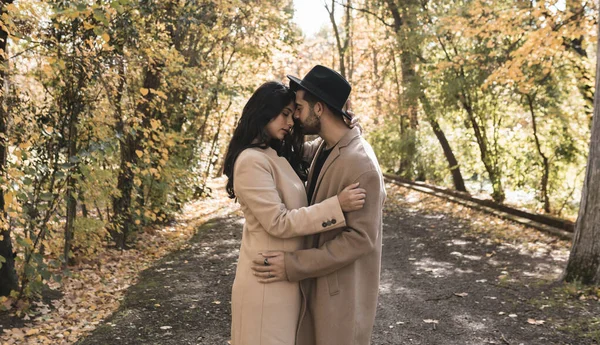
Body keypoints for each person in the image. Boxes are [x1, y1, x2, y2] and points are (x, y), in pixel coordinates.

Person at [222, 81, 367, 345]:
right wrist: (338, 205)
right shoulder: (250, 161)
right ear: (264, 111)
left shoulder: (275, 153)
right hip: (265, 282)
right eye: (286, 114)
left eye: (294, 112)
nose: (292, 121)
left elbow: (326, 149)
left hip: (284, 280)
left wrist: (350, 128)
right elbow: (278, 222)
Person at [251, 66, 386, 345]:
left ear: (320, 109)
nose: (296, 116)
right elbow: (295, 151)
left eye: (298, 108)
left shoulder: (362, 166)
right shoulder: (327, 147)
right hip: (317, 289)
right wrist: (263, 126)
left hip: (338, 298)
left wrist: (293, 265)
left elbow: (360, 240)